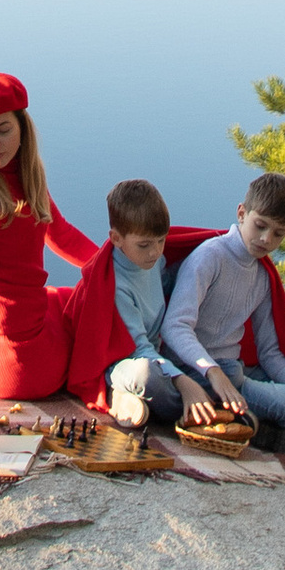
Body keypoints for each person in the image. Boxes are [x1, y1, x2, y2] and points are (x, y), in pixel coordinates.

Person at [0, 71, 102, 404]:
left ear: (23, 127)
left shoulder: (27, 175)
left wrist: (109, 265)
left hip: (23, 333)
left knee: (75, 299)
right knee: (89, 315)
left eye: (4, 130)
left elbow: (61, 234)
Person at [160, 169, 285, 452]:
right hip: (199, 374)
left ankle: (280, 416)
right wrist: (213, 372)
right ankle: (272, 430)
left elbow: (270, 351)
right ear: (241, 213)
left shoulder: (261, 275)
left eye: (278, 234)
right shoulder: (211, 256)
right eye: (260, 225)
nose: (266, 239)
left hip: (237, 372)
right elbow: (174, 326)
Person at [72, 177, 216, 431]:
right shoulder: (117, 285)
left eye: (161, 241)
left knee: (220, 368)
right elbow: (138, 348)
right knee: (146, 375)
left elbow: (169, 286)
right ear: (116, 238)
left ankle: (179, 404)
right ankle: (120, 395)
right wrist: (184, 382)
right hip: (124, 361)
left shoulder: (151, 260)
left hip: (157, 353)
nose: (155, 252)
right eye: (144, 245)